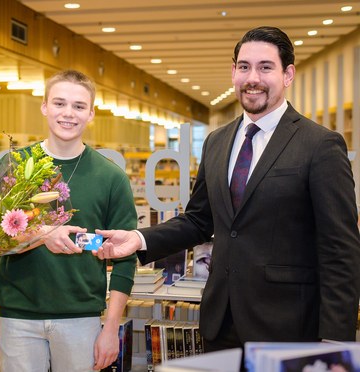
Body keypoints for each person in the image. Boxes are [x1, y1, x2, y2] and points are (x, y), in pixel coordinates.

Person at [94, 26, 360, 353]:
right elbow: (198, 221)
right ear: (233, 72)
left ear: (288, 74)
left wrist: (335, 341)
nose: (253, 77)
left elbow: (340, 250)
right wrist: (138, 238)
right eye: (244, 67)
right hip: (220, 322)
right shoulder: (217, 142)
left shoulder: (319, 145)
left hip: (288, 326)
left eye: (266, 67)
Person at [0, 69, 138, 372]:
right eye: (59, 103)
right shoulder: (16, 165)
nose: (68, 113)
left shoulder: (111, 177)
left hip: (81, 318)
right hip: (19, 316)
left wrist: (111, 329)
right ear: (45, 107)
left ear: (91, 114)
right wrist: (41, 234)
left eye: (78, 106)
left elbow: (126, 257)